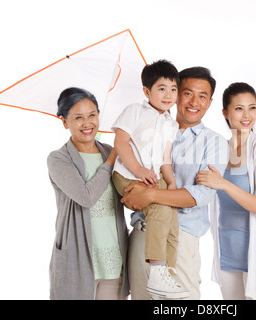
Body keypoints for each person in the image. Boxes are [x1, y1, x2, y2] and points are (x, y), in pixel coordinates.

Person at [121, 67, 229, 300]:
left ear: (209, 102)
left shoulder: (214, 143)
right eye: (187, 93)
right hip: (141, 235)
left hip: (180, 239)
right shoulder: (146, 129)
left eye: (202, 96)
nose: (194, 101)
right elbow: (129, 179)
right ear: (175, 94)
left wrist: (150, 196)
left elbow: (198, 196)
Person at [111, 59, 188, 299]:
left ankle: (166, 272)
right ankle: (156, 269)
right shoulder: (135, 110)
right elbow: (120, 142)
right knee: (159, 208)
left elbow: (165, 158)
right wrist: (138, 170)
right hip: (127, 174)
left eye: (173, 89)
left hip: (155, 177)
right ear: (147, 91)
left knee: (171, 220)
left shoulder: (170, 123)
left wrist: (172, 183)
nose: (168, 95)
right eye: (161, 88)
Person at [196, 82, 256, 300]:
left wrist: (223, 183)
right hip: (227, 255)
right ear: (225, 112)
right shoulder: (219, 149)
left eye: (252, 107)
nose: (247, 115)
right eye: (239, 108)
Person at [47, 87, 129, 300]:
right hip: (77, 261)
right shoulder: (58, 159)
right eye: (78, 118)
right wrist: (112, 160)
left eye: (92, 115)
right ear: (65, 122)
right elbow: (87, 197)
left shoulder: (108, 150)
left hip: (114, 259)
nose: (87, 123)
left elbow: (126, 195)